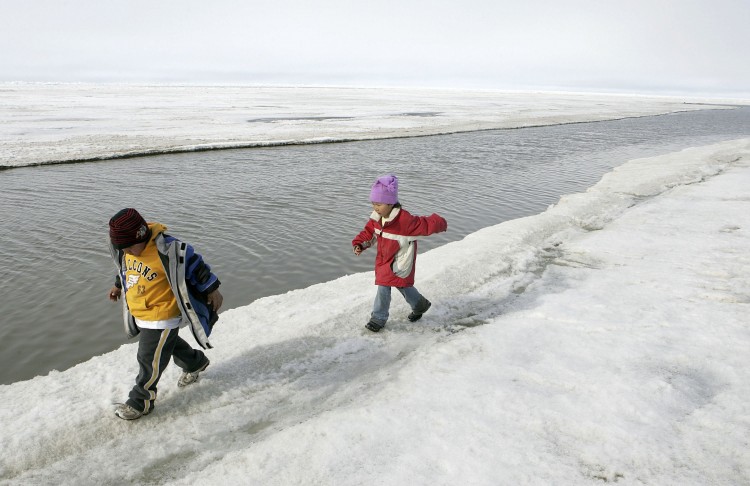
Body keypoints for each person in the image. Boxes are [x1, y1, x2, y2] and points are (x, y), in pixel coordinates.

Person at [107, 208, 223, 420]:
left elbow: (196, 266)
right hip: (141, 312)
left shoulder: (168, 249)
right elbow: (124, 269)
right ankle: (195, 362)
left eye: (130, 246)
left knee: (148, 358)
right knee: (166, 345)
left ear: (141, 234)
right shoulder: (128, 250)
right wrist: (118, 286)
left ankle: (141, 401)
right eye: (123, 248)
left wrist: (212, 288)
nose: (128, 252)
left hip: (163, 313)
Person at [352, 174, 447, 332]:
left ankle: (378, 318)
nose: (376, 208)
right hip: (384, 260)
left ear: (390, 203)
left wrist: (440, 222)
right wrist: (360, 244)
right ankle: (420, 305)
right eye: (373, 203)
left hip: (401, 262)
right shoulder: (377, 219)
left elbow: (425, 224)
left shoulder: (405, 221)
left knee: (390, 285)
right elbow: (370, 233)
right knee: (401, 286)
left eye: (379, 204)